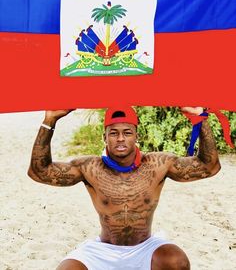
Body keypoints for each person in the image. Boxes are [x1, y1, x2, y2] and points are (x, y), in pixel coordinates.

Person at [28, 106, 221, 270]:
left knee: (176, 262)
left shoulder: (158, 164)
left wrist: (200, 118)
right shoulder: (89, 167)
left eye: (127, 132)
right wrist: (49, 121)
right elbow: (39, 172)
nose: (120, 138)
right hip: (104, 250)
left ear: (137, 135)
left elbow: (209, 166)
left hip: (145, 246)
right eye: (114, 133)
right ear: (104, 137)